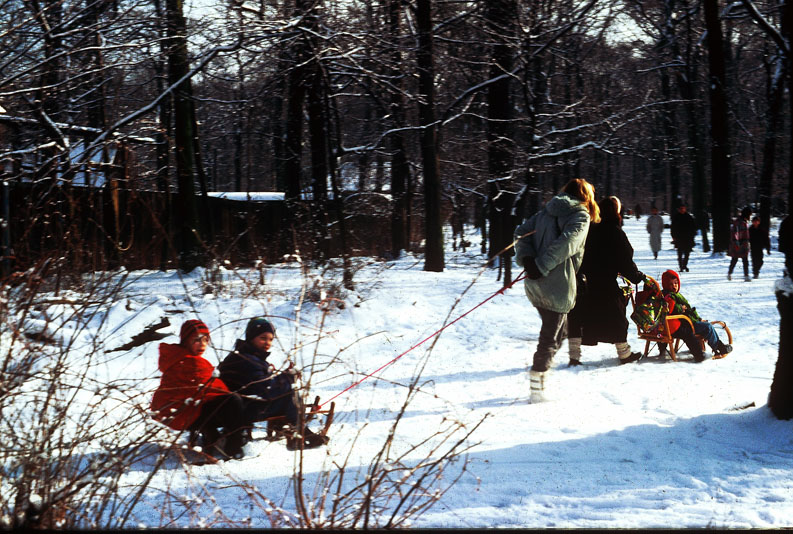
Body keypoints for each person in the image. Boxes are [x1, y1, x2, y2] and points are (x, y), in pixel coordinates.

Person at [514, 178, 600, 403]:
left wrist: (531, 261)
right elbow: (567, 244)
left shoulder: (547, 212)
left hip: (536, 282)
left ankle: (540, 374)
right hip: (555, 284)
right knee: (551, 337)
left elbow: (520, 233)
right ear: (585, 195)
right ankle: (537, 385)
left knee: (561, 332)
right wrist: (534, 263)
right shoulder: (580, 215)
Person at [218, 317, 328, 450]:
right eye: (263, 338)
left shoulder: (244, 355)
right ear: (251, 337)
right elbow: (265, 389)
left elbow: (261, 383)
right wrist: (288, 378)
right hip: (242, 409)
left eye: (270, 339)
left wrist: (283, 376)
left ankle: (291, 429)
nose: (267, 343)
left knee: (287, 393)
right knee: (290, 395)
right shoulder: (248, 359)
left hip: (238, 406)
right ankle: (303, 434)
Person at [151, 319, 250, 460]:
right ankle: (234, 447)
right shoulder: (191, 361)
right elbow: (214, 389)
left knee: (216, 400)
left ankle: (211, 433)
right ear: (186, 340)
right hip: (183, 414)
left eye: (205, 340)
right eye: (197, 340)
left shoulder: (176, 356)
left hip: (175, 412)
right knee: (232, 400)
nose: (202, 344)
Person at [567, 196, 645, 367]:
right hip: (605, 285)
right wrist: (637, 276)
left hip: (582, 283)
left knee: (578, 318)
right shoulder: (615, 233)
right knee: (617, 317)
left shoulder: (588, 229)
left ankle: (574, 357)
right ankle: (624, 354)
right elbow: (625, 261)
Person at [660, 270, 733, 361]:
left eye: (676, 283)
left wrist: (698, 318)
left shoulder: (673, 295)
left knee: (705, 326)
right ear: (666, 285)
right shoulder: (669, 296)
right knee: (707, 327)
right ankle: (719, 347)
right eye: (671, 284)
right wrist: (681, 309)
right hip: (685, 324)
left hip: (686, 322)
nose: (674, 286)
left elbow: (689, 311)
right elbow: (671, 309)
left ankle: (716, 345)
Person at [670, 203, 697, 272]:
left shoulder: (689, 217)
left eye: (683, 208)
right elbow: (673, 228)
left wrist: (693, 236)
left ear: (685, 209)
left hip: (688, 238)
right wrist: (673, 236)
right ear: (679, 209)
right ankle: (681, 266)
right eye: (681, 208)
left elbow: (693, 227)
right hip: (679, 238)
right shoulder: (676, 217)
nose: (682, 210)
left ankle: (685, 265)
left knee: (687, 253)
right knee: (679, 253)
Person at [728, 206, 752, 281]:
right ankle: (732, 274)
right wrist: (737, 242)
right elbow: (736, 233)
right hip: (739, 244)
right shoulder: (740, 222)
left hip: (742, 244)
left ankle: (744, 275)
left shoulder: (742, 221)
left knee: (739, 260)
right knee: (738, 260)